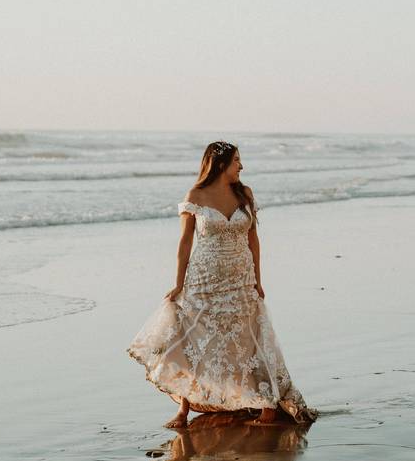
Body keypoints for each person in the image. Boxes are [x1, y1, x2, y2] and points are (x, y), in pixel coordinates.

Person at [128, 141, 315, 428]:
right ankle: (184, 409)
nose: (242, 166)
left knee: (249, 338)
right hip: (204, 280)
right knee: (195, 343)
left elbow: (254, 240)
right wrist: (179, 283)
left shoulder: (245, 194)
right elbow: (185, 242)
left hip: (240, 279)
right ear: (220, 164)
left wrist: (258, 281)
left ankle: (266, 403)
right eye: (237, 160)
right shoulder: (196, 195)